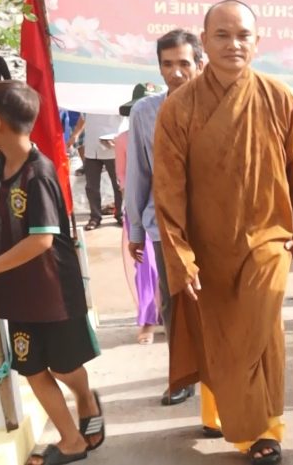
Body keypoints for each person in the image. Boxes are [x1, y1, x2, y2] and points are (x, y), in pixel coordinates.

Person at [154, 0, 293, 464]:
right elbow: (168, 189)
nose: (233, 44)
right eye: (222, 35)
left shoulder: (278, 97)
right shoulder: (179, 107)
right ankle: (220, 413)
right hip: (207, 244)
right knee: (218, 329)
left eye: (243, 35)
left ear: (257, 42)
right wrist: (180, 254)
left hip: (269, 238)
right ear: (204, 42)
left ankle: (264, 429)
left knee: (258, 328)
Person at [0, 82, 104, 465]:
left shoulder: (39, 172)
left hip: (53, 290)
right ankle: (71, 441)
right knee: (32, 368)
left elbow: (41, 240)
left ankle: (85, 398)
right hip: (16, 291)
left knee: (64, 367)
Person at [125, 29, 203, 408]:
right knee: (175, 303)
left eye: (183, 63)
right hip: (165, 225)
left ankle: (224, 378)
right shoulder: (145, 112)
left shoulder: (218, 106)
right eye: (167, 64)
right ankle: (183, 377)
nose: (176, 72)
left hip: (213, 223)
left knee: (218, 302)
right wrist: (136, 228)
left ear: (199, 64)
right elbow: (139, 172)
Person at [116, 82, 164, 348]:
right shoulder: (123, 140)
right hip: (140, 211)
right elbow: (125, 178)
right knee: (146, 268)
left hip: (170, 211)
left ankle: (165, 313)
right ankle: (147, 320)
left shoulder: (171, 128)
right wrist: (136, 214)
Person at [79, 112, 124, 230]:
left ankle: (120, 214)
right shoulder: (87, 104)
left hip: (112, 147)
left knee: (119, 184)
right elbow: (82, 118)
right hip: (91, 148)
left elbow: (126, 119)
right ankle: (95, 217)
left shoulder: (115, 102)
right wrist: (75, 135)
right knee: (91, 186)